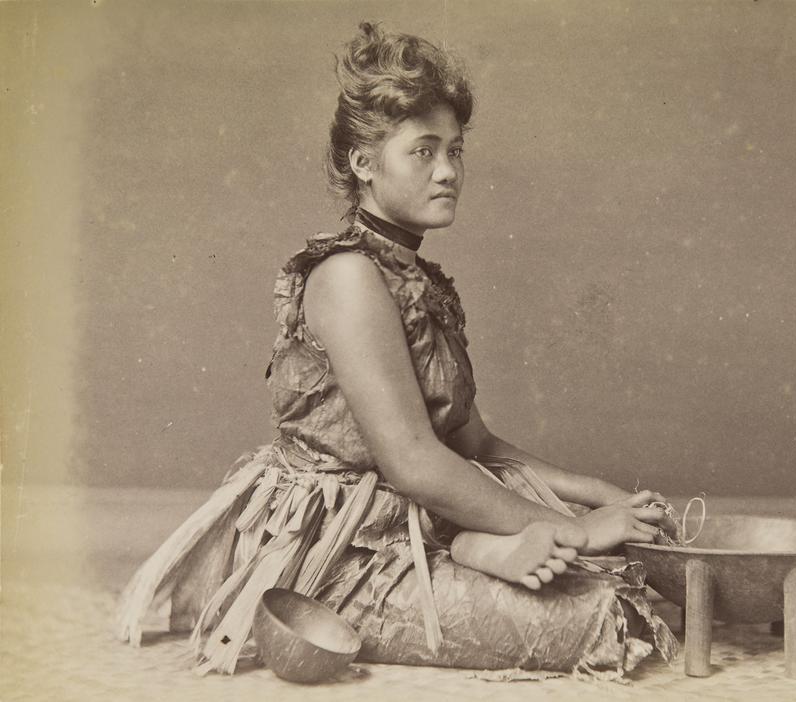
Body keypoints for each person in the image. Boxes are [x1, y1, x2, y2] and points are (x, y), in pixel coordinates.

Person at [116, 22, 678, 677]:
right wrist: (577, 531)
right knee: (601, 615)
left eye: (457, 152)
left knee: (633, 556)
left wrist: (602, 496)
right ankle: (471, 548)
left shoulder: (422, 283)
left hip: (420, 517)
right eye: (424, 151)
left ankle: (471, 545)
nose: (448, 172)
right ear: (363, 163)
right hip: (345, 551)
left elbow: (480, 449)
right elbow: (411, 461)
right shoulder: (348, 278)